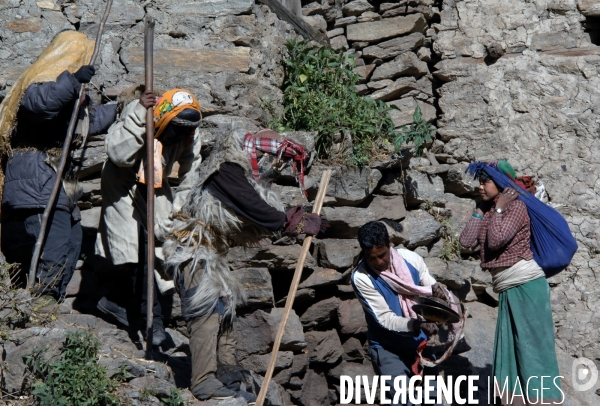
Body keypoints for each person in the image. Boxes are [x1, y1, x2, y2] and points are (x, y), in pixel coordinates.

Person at [161, 128, 324, 401]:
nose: (265, 164)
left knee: (224, 312)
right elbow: (252, 206)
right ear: (251, 151)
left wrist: (289, 218)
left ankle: (226, 374)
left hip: (210, 254)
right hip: (191, 252)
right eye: (263, 157)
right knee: (205, 314)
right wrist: (288, 222)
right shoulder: (224, 171)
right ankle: (203, 380)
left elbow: (256, 207)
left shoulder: (237, 176)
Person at [0, 30, 117, 313]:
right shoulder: (36, 85)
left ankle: (48, 304)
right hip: (36, 180)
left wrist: (124, 106)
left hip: (54, 183)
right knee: (53, 246)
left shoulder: (67, 95)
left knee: (71, 242)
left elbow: (87, 123)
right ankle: (39, 307)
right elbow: (42, 106)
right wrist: (73, 80)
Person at [94, 87, 202, 346]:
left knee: (162, 247)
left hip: (155, 184)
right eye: (176, 128)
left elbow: (191, 174)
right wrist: (141, 115)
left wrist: (178, 212)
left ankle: (137, 312)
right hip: (123, 183)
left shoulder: (190, 132)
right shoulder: (142, 112)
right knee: (132, 249)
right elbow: (118, 156)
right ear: (165, 118)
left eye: (185, 131)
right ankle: (146, 319)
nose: (180, 136)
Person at [459, 160, 561, 405]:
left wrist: (500, 208)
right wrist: (480, 210)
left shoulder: (515, 207)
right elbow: (465, 241)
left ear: (501, 183)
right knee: (512, 350)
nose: (480, 187)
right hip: (510, 289)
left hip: (527, 288)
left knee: (533, 350)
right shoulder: (491, 209)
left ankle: (543, 400)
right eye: (479, 182)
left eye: (485, 182)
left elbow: (495, 241)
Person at [351, 221, 448, 406]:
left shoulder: (411, 259)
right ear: (364, 253)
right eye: (372, 258)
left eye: (382, 255)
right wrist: (416, 325)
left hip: (420, 342)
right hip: (388, 347)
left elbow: (429, 286)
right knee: (402, 400)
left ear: (390, 244)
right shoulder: (361, 277)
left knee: (433, 399)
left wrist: (439, 292)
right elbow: (385, 319)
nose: (379, 262)